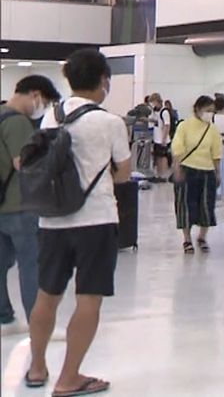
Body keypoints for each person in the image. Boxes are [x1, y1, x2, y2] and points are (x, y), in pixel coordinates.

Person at [26, 49, 133, 396]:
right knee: (89, 299)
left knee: (47, 295)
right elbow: (123, 175)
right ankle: (68, 377)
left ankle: (37, 367)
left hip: (52, 220)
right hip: (96, 221)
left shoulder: (50, 118)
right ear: (104, 81)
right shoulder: (111, 122)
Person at [0, 75, 60, 337]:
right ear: (34, 94)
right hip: (20, 205)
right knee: (31, 264)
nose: (42, 107)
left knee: (1, 263)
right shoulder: (17, 122)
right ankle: (38, 325)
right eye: (44, 101)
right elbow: (22, 163)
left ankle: (3, 315)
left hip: (1, 205)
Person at [171, 96, 223, 254]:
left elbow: (216, 152)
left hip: (207, 171)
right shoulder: (185, 126)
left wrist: (217, 172)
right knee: (185, 205)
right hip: (187, 169)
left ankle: (202, 237)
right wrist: (177, 168)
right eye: (207, 110)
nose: (209, 114)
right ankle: (187, 240)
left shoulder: (212, 129)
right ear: (198, 109)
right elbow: (177, 147)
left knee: (207, 205)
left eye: (212, 111)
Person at [149, 93, 173, 183]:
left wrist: (164, 139)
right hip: (157, 138)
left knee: (163, 157)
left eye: (152, 102)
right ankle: (158, 174)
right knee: (158, 157)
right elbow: (157, 121)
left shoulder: (164, 112)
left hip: (163, 139)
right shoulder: (155, 111)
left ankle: (163, 175)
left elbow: (167, 125)